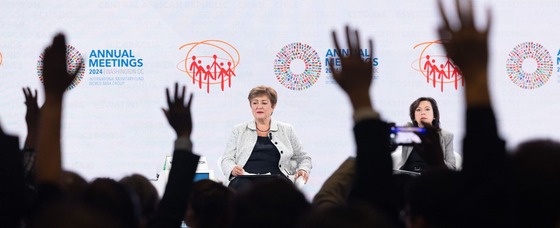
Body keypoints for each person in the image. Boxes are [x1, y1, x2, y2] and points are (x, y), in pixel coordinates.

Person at [220, 86, 312, 190]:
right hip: (245, 179)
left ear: (273, 106)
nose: (259, 107)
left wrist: (303, 169)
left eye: (264, 103)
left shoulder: (287, 130)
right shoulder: (239, 130)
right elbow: (227, 159)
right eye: (255, 103)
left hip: (277, 180)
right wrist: (232, 169)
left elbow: (304, 158)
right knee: (243, 187)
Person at [398, 97, 456, 172]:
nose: (423, 112)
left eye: (427, 109)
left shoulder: (447, 136)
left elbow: (452, 167)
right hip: (408, 177)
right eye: (418, 110)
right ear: (414, 117)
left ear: (434, 115)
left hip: (432, 178)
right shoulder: (408, 132)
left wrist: (437, 158)